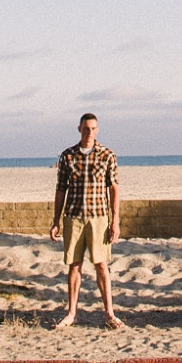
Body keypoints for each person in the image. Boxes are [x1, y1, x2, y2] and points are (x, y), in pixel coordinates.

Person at [50, 112, 124, 330]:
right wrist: (56, 220)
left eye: (93, 129)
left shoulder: (107, 155)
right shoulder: (68, 156)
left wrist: (115, 221)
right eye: (85, 128)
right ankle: (71, 313)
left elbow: (114, 189)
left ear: (97, 130)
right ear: (79, 129)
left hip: (99, 217)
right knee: (74, 265)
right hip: (73, 217)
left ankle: (109, 312)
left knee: (101, 265)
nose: (89, 132)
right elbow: (60, 189)